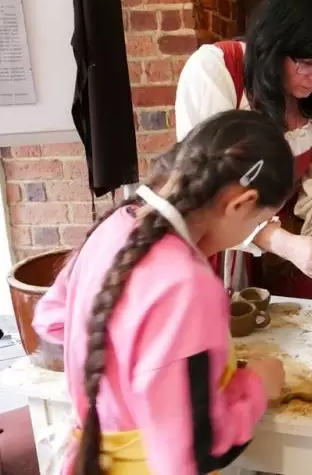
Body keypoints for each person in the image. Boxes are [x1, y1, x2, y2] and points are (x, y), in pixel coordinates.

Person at [32, 110, 293, 474]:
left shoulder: (116, 224)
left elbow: (52, 323)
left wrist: (123, 384)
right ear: (240, 204)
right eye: (259, 220)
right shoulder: (187, 286)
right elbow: (197, 448)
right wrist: (257, 387)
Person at [175, 0, 312, 300]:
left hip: (290, 258)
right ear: (274, 47)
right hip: (216, 245)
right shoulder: (215, 70)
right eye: (307, 63)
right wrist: (282, 242)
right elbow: (206, 188)